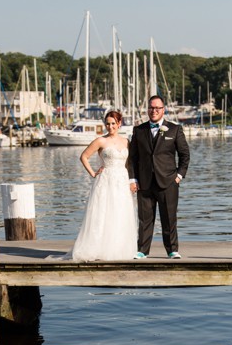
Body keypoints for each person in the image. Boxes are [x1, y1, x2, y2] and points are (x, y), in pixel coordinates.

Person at [61, 109, 137, 261]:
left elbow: (129, 163)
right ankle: (98, 248)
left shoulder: (126, 142)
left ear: (119, 123)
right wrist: (93, 173)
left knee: (120, 213)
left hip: (121, 180)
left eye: (113, 123)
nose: (110, 127)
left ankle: (118, 249)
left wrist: (131, 180)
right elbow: (84, 156)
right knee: (103, 213)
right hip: (106, 180)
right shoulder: (101, 141)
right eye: (107, 124)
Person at [128, 95, 190, 259]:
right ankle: (142, 250)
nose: (154, 111)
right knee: (145, 219)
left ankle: (172, 250)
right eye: (151, 107)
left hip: (168, 181)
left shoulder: (174, 129)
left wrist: (179, 176)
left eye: (157, 108)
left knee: (169, 218)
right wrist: (133, 179)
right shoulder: (138, 130)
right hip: (144, 182)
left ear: (163, 110)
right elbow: (133, 158)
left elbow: (185, 155)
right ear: (147, 109)